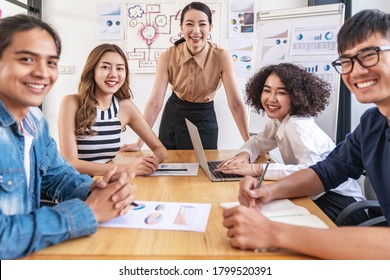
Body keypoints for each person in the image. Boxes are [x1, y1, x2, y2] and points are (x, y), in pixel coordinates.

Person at [222, 9, 390, 259]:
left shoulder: (299, 124)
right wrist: (267, 192)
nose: (355, 71)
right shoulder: (372, 123)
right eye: (346, 61)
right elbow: (326, 171)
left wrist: (273, 232)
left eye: (368, 55)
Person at [0, 14, 137, 259]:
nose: (42, 72)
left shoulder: (35, 122)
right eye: (26, 59)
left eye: (51, 62)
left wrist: (94, 189)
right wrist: (88, 212)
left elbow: (59, 175)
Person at [216, 63, 365, 224]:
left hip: (340, 203)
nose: (271, 98)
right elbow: (258, 142)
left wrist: (255, 169)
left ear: (296, 96)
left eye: (281, 92)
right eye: (267, 90)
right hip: (317, 196)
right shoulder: (280, 120)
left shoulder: (297, 125)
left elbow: (310, 172)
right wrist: (244, 156)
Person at [128, 1, 249, 150]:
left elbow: (236, 104)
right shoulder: (168, 56)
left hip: (204, 117)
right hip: (174, 115)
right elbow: (154, 103)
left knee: (205, 168)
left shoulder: (222, 57)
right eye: (189, 24)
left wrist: (250, 144)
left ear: (210, 28)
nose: (196, 31)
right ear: (182, 27)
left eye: (202, 24)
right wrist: (139, 143)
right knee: (170, 167)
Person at [58, 44, 167, 177]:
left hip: (106, 181)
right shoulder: (71, 103)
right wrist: (128, 168)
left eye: (120, 68)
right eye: (105, 67)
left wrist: (148, 163)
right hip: (75, 184)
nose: (113, 74)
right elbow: (70, 163)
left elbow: (160, 149)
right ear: (92, 71)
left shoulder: (125, 107)